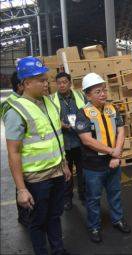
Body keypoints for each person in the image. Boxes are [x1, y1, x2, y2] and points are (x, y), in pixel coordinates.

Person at [5, 56, 71, 255]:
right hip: (37, 178)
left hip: (57, 172)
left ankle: (58, 250)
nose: (46, 83)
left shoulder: (49, 102)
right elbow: (13, 152)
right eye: (40, 79)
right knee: (38, 221)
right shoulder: (16, 111)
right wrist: (21, 189)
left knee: (55, 215)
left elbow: (56, 137)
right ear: (25, 83)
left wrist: (65, 164)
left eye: (45, 78)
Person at [75, 72, 131, 243]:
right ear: (88, 94)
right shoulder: (83, 113)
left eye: (104, 90)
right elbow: (87, 140)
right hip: (93, 166)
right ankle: (94, 227)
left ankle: (118, 220)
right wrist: (111, 151)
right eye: (98, 92)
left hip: (113, 161)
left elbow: (121, 131)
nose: (103, 94)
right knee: (93, 199)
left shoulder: (112, 109)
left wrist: (117, 153)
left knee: (115, 194)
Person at [52, 72, 86, 210]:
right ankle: (67, 199)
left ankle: (84, 195)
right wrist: (59, 124)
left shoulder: (79, 96)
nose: (62, 85)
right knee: (66, 173)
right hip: (64, 143)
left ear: (70, 83)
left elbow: (87, 113)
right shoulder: (52, 100)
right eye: (59, 83)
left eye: (64, 82)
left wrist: (80, 124)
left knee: (83, 171)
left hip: (81, 141)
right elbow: (49, 119)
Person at [1, 71, 31, 227]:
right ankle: (24, 217)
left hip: (26, 151)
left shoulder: (18, 100)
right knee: (22, 186)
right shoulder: (13, 105)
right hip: (22, 151)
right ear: (21, 86)